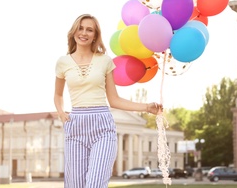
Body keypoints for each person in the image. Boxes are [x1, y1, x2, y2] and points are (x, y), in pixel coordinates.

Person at [54, 14, 162, 188]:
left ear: (95, 36)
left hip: (102, 126)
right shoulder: (63, 62)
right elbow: (58, 94)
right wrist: (61, 112)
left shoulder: (104, 60)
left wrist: (146, 107)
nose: (84, 33)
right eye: (80, 28)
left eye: (89, 30)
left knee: (94, 184)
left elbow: (114, 99)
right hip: (75, 126)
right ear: (74, 32)